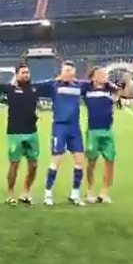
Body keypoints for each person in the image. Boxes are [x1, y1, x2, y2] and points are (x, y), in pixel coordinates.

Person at [0, 63, 42, 205]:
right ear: (17, 75)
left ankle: (26, 192)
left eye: (27, 72)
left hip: (32, 132)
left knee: (34, 165)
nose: (26, 75)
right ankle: (10, 193)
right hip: (14, 133)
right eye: (23, 72)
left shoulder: (34, 89)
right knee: (14, 164)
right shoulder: (9, 89)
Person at [83, 67, 133, 203]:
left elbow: (128, 95)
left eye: (105, 74)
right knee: (91, 162)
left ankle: (104, 192)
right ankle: (89, 191)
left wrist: (128, 82)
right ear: (93, 77)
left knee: (110, 161)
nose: (104, 76)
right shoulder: (86, 88)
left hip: (107, 130)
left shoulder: (110, 88)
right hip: (93, 131)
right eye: (100, 74)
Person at [41, 61, 86, 206]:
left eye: (71, 71)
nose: (69, 73)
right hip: (60, 127)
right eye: (66, 70)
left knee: (79, 161)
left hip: (74, 128)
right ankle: (48, 193)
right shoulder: (53, 85)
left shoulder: (79, 85)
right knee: (56, 160)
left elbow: (96, 84)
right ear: (61, 71)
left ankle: (75, 194)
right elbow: (36, 86)